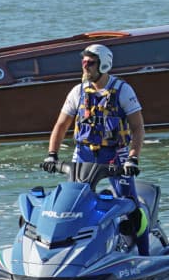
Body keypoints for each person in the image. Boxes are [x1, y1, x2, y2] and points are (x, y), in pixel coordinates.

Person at [42, 43, 149, 253]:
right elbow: (61, 125)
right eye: (83, 62)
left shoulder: (123, 91)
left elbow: (138, 128)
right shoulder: (77, 92)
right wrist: (52, 155)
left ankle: (145, 254)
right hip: (84, 154)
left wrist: (133, 159)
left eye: (90, 63)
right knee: (72, 207)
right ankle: (72, 253)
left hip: (116, 156)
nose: (85, 67)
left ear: (104, 65)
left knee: (131, 207)